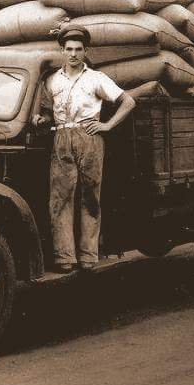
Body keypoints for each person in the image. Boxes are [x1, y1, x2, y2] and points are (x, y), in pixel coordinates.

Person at [33, 23, 135, 272]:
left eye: (78, 49)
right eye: (69, 49)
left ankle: (89, 255)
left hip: (89, 137)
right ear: (62, 50)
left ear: (85, 50)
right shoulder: (51, 80)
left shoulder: (96, 78)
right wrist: (42, 119)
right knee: (60, 198)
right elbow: (46, 112)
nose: (74, 54)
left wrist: (107, 125)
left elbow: (128, 101)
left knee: (90, 198)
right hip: (61, 138)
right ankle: (64, 257)